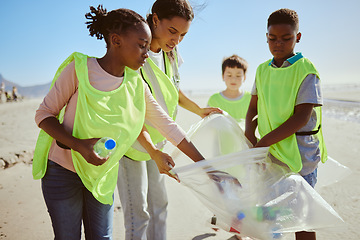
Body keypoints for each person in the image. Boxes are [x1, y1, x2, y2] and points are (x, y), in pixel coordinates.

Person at [33, 5, 205, 240]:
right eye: (141, 45)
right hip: (63, 172)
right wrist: (79, 145)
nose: (147, 53)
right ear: (116, 40)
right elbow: (44, 115)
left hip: (101, 175)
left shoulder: (136, 84)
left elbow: (169, 127)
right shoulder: (80, 69)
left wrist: (205, 166)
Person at [116, 1, 221, 240]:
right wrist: (152, 151)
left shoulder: (170, 53)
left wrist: (199, 110)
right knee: (138, 213)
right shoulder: (135, 56)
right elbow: (132, 112)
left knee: (159, 205)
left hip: (159, 142)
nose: (176, 40)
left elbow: (173, 90)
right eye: (172, 31)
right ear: (155, 20)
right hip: (133, 146)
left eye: (183, 35)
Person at [245, 8, 327, 240]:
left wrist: (263, 142)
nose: (278, 43)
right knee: (273, 216)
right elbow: (252, 109)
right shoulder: (262, 70)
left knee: (302, 218)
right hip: (270, 155)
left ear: (297, 38)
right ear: (266, 37)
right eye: (272, 38)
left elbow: (301, 117)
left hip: (301, 157)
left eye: (286, 38)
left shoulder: (306, 71)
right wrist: (250, 136)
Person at [207, 55, 251, 129]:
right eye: (229, 75)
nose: (233, 79)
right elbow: (209, 124)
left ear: (244, 77)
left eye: (238, 75)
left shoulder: (250, 98)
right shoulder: (214, 99)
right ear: (223, 76)